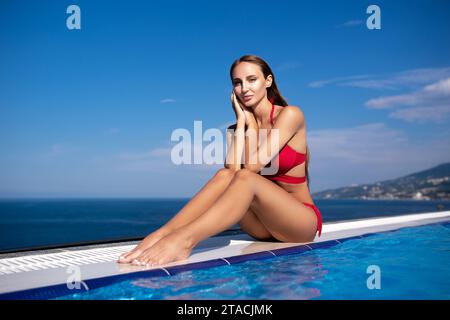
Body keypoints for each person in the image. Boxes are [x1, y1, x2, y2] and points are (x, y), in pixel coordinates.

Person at [118, 54, 323, 267]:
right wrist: (241, 122)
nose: (244, 88)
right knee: (226, 175)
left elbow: (252, 168)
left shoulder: (291, 115)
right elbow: (231, 173)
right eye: (237, 83)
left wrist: (251, 127)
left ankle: (185, 240)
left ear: (268, 81)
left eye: (252, 80)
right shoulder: (237, 128)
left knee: (245, 177)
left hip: (298, 222)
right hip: (262, 226)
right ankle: (164, 233)